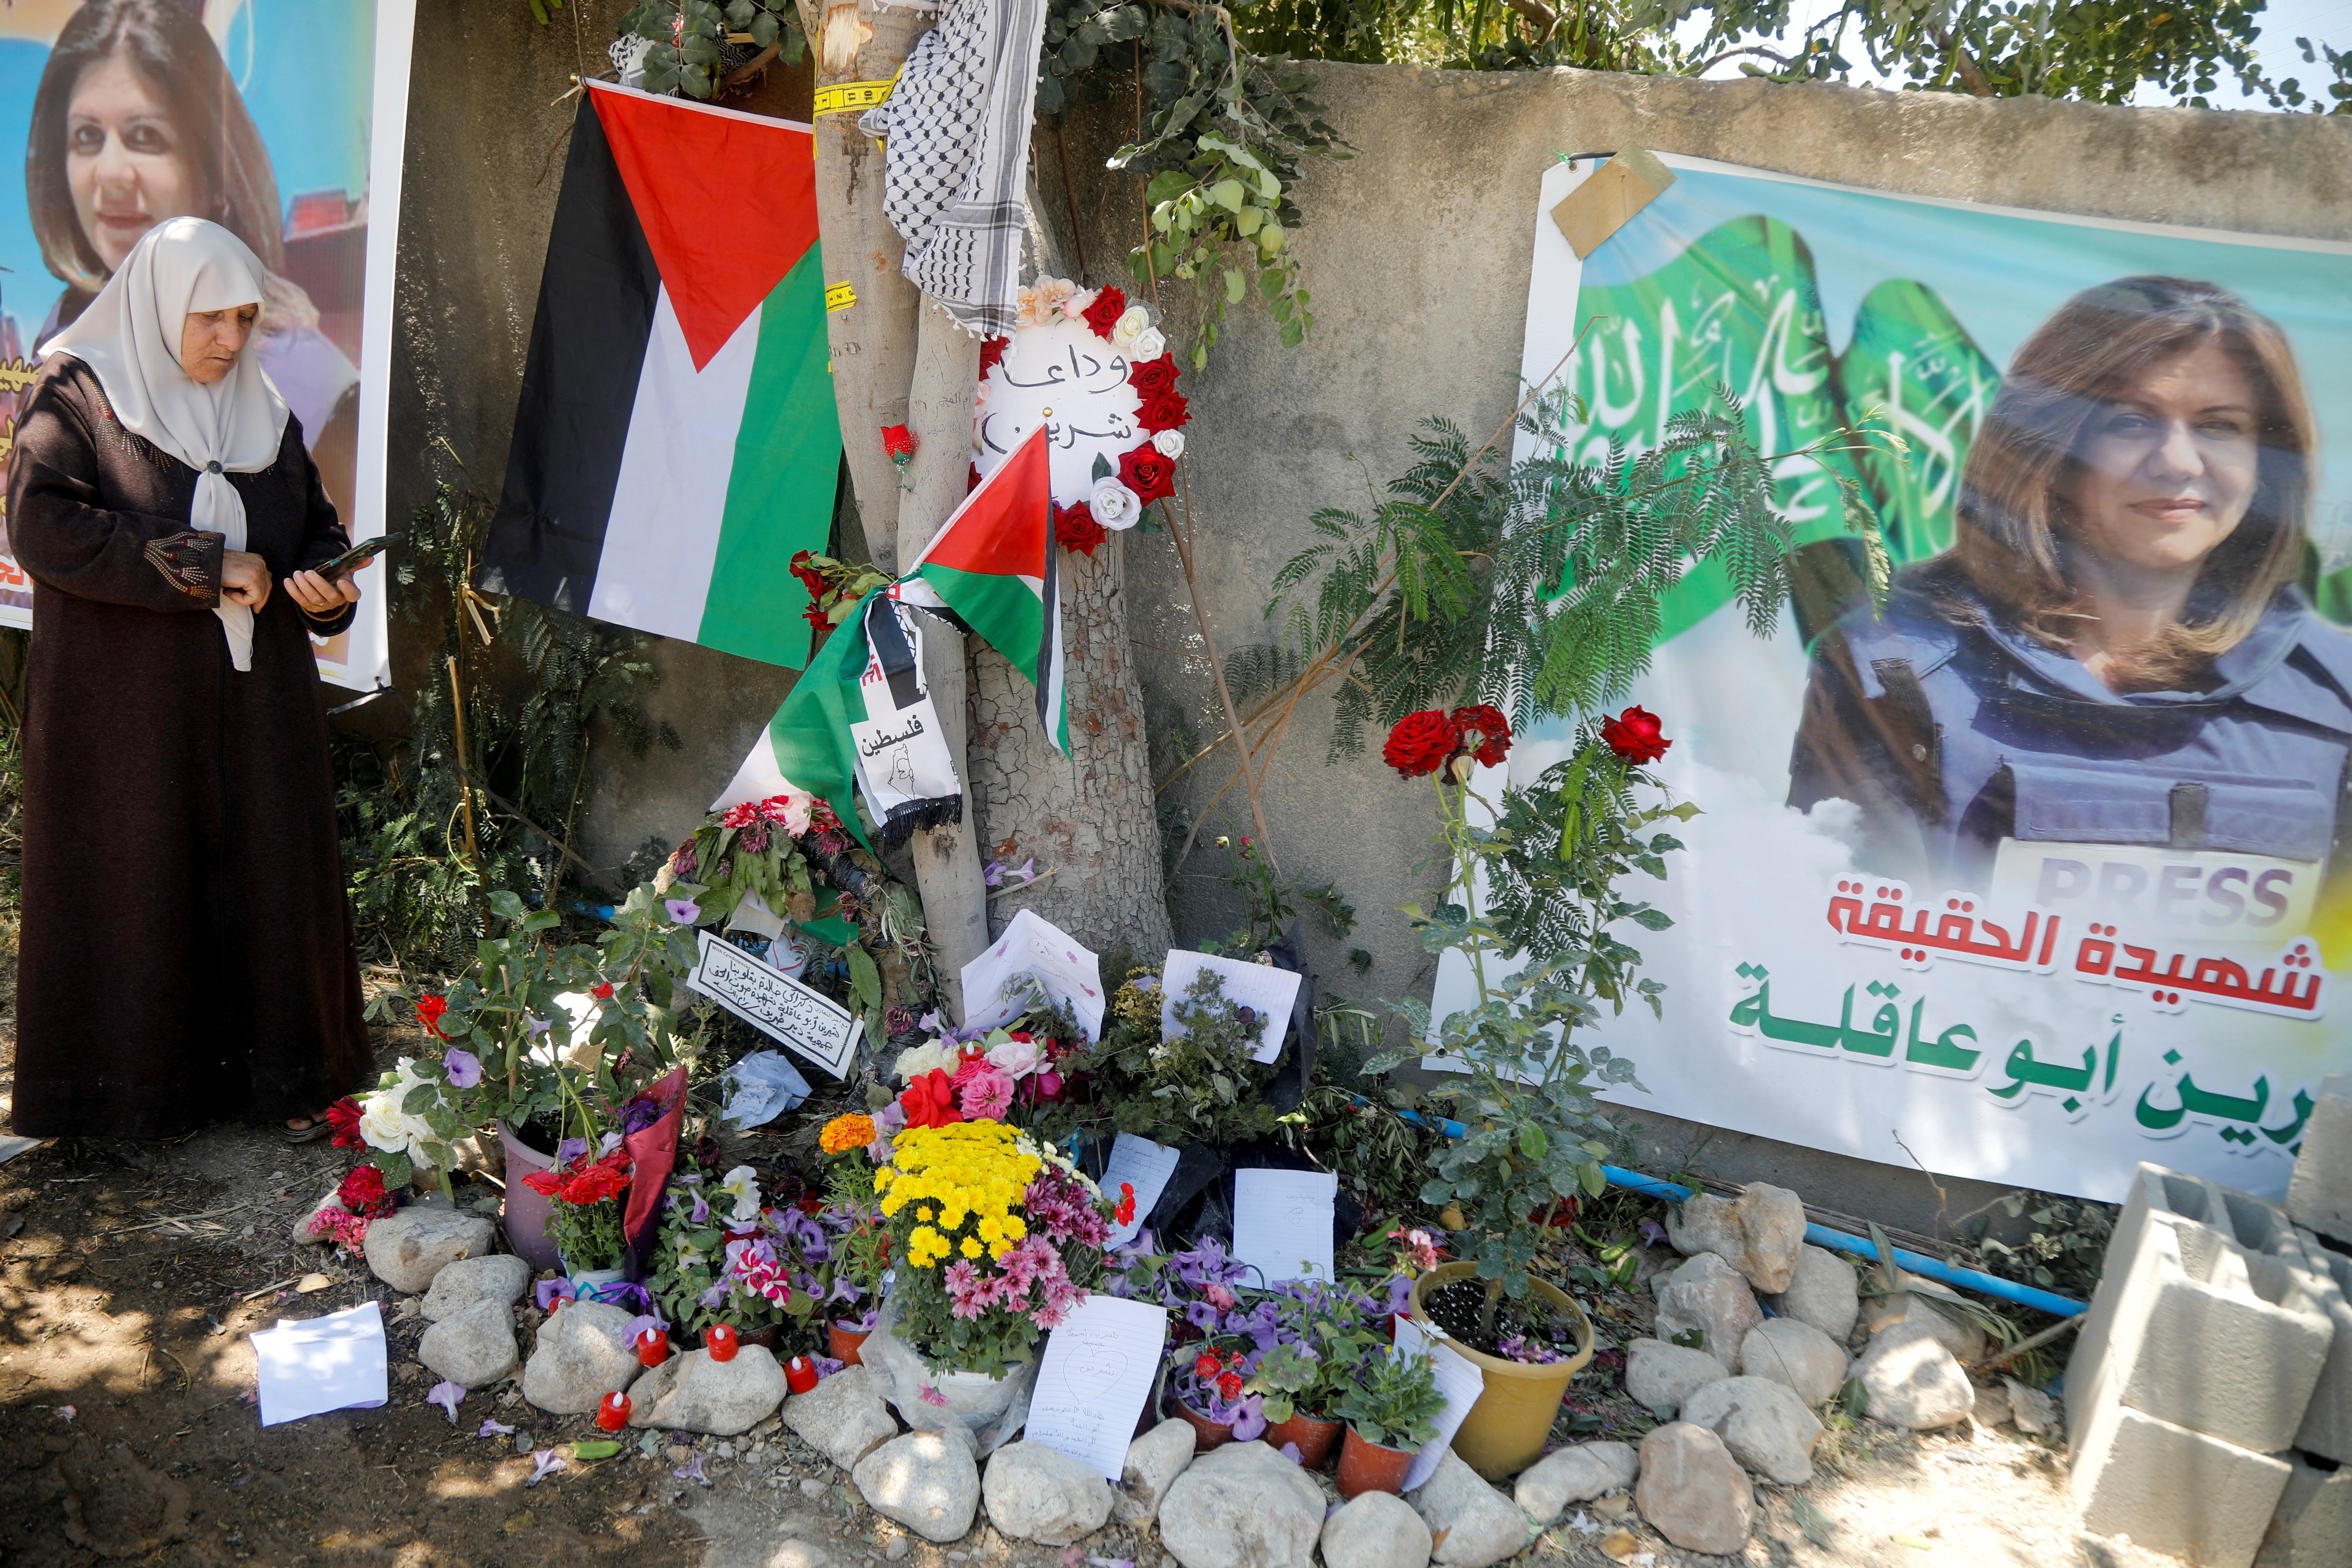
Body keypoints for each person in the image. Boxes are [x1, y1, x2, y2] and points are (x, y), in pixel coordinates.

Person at [1788, 276, 2352, 930]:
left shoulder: (2336, 699)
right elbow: (1825, 952)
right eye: (2131, 422)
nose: (2177, 462)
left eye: (2219, 426)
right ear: (2049, 447)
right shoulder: (1892, 670)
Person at [6, 217, 370, 1141]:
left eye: (247, 318)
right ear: (160, 306)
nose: (232, 340)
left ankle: (282, 1079)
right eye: (211, 319)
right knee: (141, 875)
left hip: (258, 708)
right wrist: (206, 567)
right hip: (126, 713)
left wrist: (326, 591)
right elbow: (43, 528)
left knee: (269, 874)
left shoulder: (264, 410)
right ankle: (129, 1095)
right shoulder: (77, 399)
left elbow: (316, 532)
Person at [19, 0, 359, 520]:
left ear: (215, 174)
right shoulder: (68, 333)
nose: (111, 174)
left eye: (145, 138)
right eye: (88, 136)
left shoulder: (308, 381)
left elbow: (326, 569)